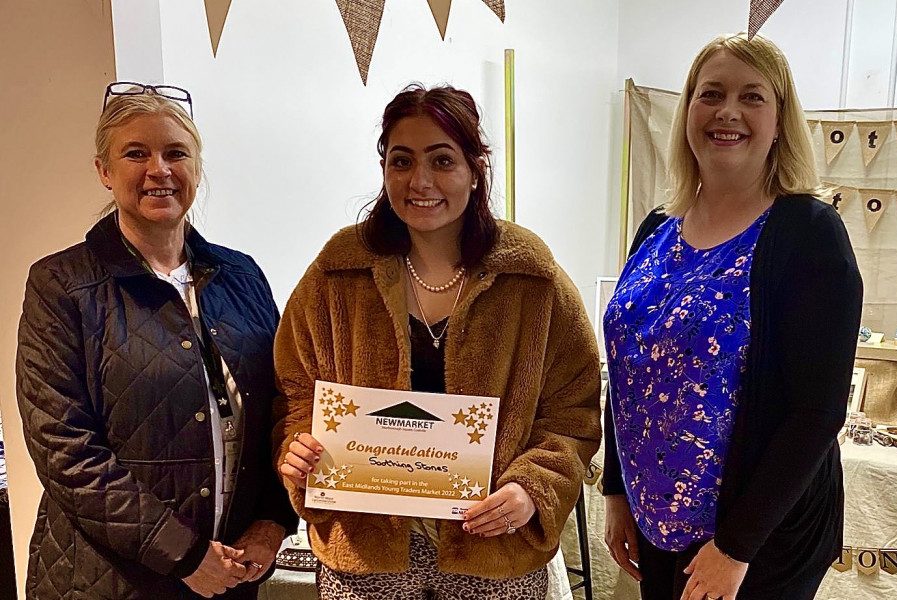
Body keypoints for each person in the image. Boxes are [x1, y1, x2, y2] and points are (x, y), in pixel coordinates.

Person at [272, 84, 602, 599]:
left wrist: (532, 488)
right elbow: (296, 392)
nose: (420, 181)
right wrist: (298, 449)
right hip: (367, 550)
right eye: (401, 161)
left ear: (475, 169)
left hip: (493, 548)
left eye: (442, 160)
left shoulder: (531, 278)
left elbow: (574, 411)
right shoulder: (337, 273)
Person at [602, 33, 863, 600]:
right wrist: (616, 490)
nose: (728, 111)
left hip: (755, 540)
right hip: (656, 520)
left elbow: (815, 412)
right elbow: (629, 367)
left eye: (752, 97)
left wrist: (736, 547)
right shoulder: (656, 228)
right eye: (710, 93)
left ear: (779, 120)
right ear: (688, 110)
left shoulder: (808, 234)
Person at [15, 83, 298, 599]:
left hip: (231, 574)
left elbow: (284, 406)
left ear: (196, 166)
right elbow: (65, 450)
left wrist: (273, 520)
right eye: (135, 154)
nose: (159, 170)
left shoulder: (242, 276)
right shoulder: (62, 285)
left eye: (175, 153)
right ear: (104, 171)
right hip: (107, 580)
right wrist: (183, 554)